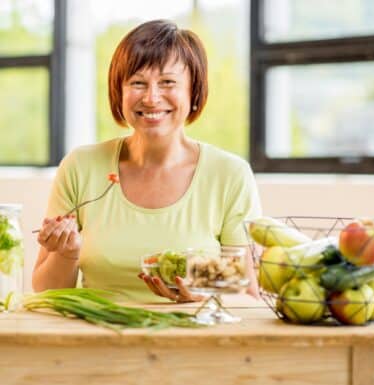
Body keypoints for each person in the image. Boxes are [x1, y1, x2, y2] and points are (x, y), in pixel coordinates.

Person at [32, 19, 262, 303]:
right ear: (120, 92)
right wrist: (67, 254)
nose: (152, 98)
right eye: (138, 83)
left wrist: (201, 295)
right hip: (97, 337)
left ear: (194, 91)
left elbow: (247, 293)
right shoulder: (82, 166)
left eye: (168, 82)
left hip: (192, 339)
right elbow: (45, 292)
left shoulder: (228, 174)